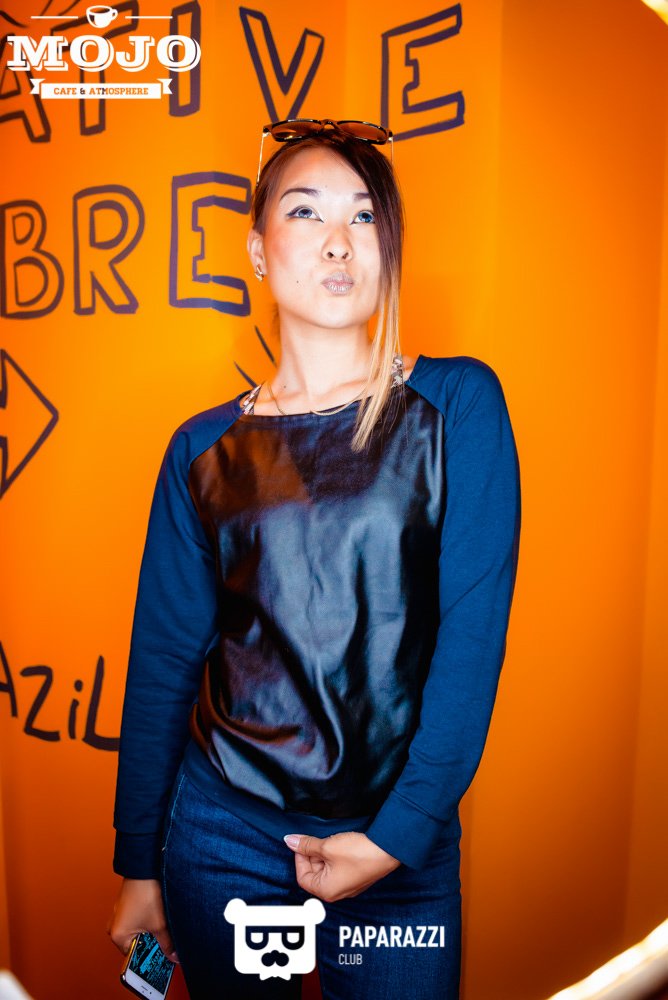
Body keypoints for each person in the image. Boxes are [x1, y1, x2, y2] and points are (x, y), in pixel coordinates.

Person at [107, 118, 521, 999]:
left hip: (398, 842)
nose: (339, 241)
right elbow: (164, 662)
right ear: (258, 251)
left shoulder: (458, 403)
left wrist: (396, 837)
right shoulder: (200, 449)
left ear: (389, 246)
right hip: (222, 835)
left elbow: (470, 644)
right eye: (305, 211)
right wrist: (139, 862)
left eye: (364, 216)